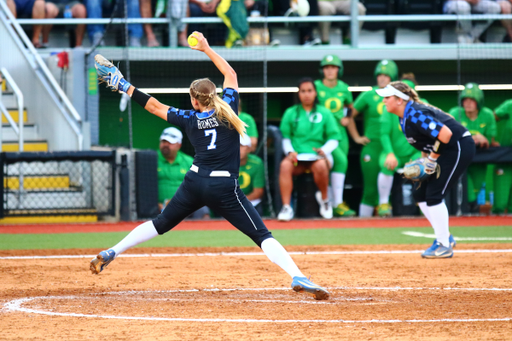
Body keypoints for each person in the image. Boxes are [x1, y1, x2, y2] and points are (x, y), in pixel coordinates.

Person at [90, 32, 330, 300]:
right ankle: (296, 274)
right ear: (214, 95)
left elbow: (154, 107)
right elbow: (231, 73)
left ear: (194, 100)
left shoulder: (189, 117)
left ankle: (113, 250)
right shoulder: (229, 107)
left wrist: (123, 84)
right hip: (223, 186)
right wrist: (205, 48)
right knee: (262, 234)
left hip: (194, 182)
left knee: (159, 224)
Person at [377, 81, 475, 258]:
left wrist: (431, 160)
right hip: (445, 149)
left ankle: (444, 245)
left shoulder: (414, 113)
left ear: (400, 100)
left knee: (434, 194)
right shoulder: (404, 117)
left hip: (459, 146)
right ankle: (444, 237)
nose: (384, 100)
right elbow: (427, 140)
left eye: (387, 97)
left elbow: (445, 134)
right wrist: (424, 161)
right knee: (419, 193)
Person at [277, 77, 341, 221]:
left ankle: (324, 201)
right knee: (285, 166)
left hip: (317, 156)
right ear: (298, 94)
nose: (306, 94)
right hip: (297, 157)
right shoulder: (290, 112)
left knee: (320, 165)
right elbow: (285, 137)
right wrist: (289, 152)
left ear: (315, 93)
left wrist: (325, 149)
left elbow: (334, 137)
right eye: (303, 91)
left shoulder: (325, 112)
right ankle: (286, 207)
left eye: (310, 91)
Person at [348, 59, 397, 217]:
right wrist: (356, 137)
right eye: (379, 75)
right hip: (372, 146)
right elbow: (349, 116)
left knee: (388, 192)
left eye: (386, 75)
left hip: (390, 147)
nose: (382, 78)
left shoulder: (397, 96)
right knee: (369, 190)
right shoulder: (369, 94)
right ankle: (364, 227)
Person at [375, 73, 427, 217]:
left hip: (414, 152)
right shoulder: (389, 107)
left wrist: (424, 156)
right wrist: (390, 154)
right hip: (394, 152)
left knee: (424, 165)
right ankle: (384, 203)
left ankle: (424, 203)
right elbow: (384, 133)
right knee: (387, 163)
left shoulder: (422, 106)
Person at [314, 54, 355, 217]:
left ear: (339, 70)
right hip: (322, 133)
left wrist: (347, 118)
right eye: (326, 68)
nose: (330, 71)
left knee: (339, 165)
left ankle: (332, 201)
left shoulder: (344, 87)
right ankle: (334, 201)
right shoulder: (316, 86)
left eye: (333, 67)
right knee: (335, 162)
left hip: (340, 133)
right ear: (322, 70)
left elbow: (351, 107)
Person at [449, 83, 498, 212]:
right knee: (467, 191)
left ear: (479, 102)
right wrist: (472, 136)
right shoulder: (455, 112)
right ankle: (466, 210)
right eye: (465, 100)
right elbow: (449, 134)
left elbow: (491, 140)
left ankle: (474, 213)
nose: (468, 103)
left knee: (478, 189)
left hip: (481, 159)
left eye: (472, 100)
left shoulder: (487, 114)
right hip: (461, 158)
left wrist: (484, 139)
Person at [158, 127, 210, 218]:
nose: (166, 145)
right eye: (163, 141)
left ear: (179, 145)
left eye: (170, 142)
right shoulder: (151, 159)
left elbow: (198, 186)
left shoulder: (188, 161)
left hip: (185, 204)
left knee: (203, 210)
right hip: (157, 206)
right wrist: (157, 204)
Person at [492, 99, 512, 214]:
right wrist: (491, 138)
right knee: (500, 204)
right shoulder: (510, 104)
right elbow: (492, 117)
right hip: (505, 156)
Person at [239, 134, 265, 215]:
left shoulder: (256, 163)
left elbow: (258, 192)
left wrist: (239, 201)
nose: (237, 149)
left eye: (241, 146)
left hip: (249, 201)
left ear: (248, 148)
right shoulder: (223, 162)